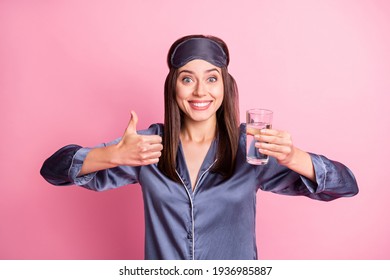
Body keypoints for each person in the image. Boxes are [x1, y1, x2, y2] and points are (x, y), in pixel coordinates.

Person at [40, 34, 358, 260]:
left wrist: (293, 156)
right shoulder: (146, 146)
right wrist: (110, 155)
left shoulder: (251, 148)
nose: (200, 91)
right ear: (174, 87)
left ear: (225, 86)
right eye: (188, 79)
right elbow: (53, 171)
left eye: (211, 78)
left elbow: (346, 185)